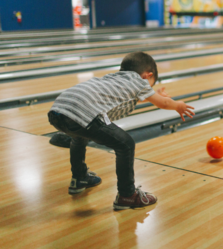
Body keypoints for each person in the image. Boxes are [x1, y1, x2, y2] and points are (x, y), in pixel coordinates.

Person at [47, 51, 195, 210]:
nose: (149, 90)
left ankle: (79, 177)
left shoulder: (115, 78)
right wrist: (178, 106)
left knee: (79, 137)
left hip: (59, 110)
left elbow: (130, 96)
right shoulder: (140, 82)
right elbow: (164, 104)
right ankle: (127, 195)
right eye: (151, 86)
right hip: (84, 112)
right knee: (126, 144)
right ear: (147, 76)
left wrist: (154, 94)